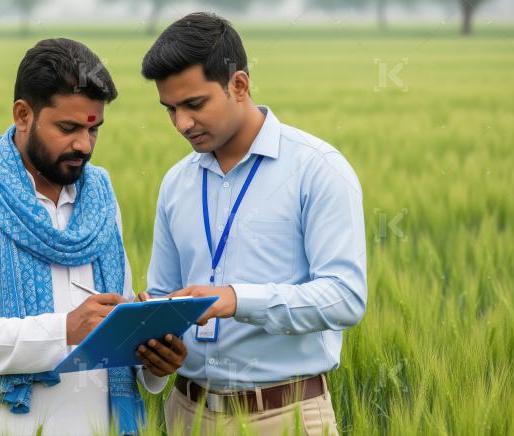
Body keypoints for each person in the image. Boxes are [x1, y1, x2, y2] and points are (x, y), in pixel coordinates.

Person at [0, 38, 186, 435]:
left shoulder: (102, 201)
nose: (84, 144)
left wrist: (153, 360)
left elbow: (116, 322)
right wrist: (64, 329)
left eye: (94, 129)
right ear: (23, 115)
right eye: (68, 128)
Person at [141, 12, 368, 435]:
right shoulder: (176, 182)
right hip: (186, 413)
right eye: (170, 109)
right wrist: (154, 350)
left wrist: (235, 299)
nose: (182, 123)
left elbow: (345, 297)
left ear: (239, 86)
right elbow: (161, 295)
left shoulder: (317, 169)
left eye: (194, 104)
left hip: (286, 416)